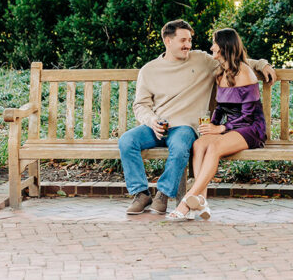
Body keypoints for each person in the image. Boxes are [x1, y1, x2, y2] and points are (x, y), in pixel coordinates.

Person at [118, 20, 275, 215]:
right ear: (167, 41)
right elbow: (141, 105)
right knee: (126, 141)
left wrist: (262, 64)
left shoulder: (201, 60)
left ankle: (163, 195)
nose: (188, 45)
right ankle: (141, 194)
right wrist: (151, 121)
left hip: (185, 127)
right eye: (183, 40)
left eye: (190, 40)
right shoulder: (149, 70)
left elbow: (233, 59)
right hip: (157, 126)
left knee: (181, 145)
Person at [167, 28, 268, 221]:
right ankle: (202, 199)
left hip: (251, 128)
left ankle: (187, 200)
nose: (211, 47)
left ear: (225, 47)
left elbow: (248, 116)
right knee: (199, 144)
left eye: (215, 43)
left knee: (214, 146)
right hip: (232, 127)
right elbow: (221, 108)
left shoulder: (245, 73)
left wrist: (220, 129)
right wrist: (210, 127)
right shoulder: (221, 72)